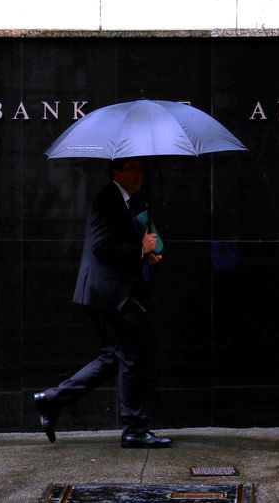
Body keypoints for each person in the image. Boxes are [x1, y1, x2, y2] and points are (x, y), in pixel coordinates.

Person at [34, 157, 172, 449]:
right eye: (133, 169)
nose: (139, 174)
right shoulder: (107, 198)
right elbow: (101, 247)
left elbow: (129, 241)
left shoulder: (130, 201)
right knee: (130, 357)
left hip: (112, 294)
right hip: (105, 295)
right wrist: (139, 249)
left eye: (141, 169)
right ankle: (133, 429)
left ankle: (52, 399)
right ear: (117, 172)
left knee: (115, 356)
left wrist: (148, 252)